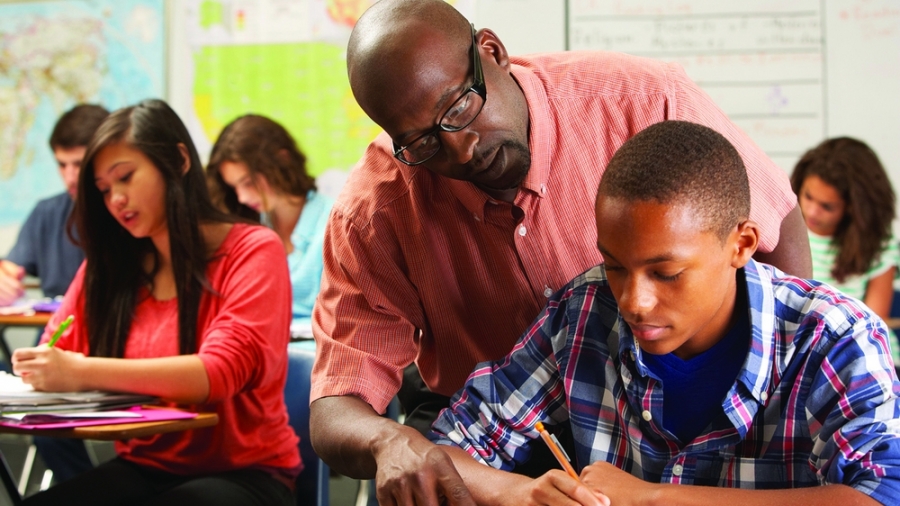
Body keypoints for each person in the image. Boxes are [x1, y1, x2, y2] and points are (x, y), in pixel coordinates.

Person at [309, 0, 812, 501]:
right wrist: (389, 441)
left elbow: (771, 216)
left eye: (460, 108)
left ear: (492, 51)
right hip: (487, 424)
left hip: (656, 407)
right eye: (421, 141)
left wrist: (788, 379)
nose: (460, 149)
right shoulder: (374, 211)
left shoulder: (641, 100)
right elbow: (338, 400)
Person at [431, 120, 900, 506]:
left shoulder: (835, 339)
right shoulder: (585, 312)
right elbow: (453, 445)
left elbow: (881, 496)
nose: (634, 301)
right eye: (615, 265)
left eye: (667, 273)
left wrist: (653, 498)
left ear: (742, 245)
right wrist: (521, 492)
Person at [11, 99, 301, 506]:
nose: (115, 199)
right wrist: (46, 367)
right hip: (146, 467)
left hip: (247, 475)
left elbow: (217, 374)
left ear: (179, 161)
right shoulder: (113, 264)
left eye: (126, 178)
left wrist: (81, 372)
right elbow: (55, 352)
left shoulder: (253, 250)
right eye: (104, 190)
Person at [206, 114, 334, 329]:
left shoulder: (335, 222)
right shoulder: (251, 226)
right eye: (234, 187)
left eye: (248, 183)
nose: (242, 198)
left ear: (282, 160)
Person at [791, 137, 900, 364]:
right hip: (796, 354)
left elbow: (872, 328)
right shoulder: (782, 230)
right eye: (808, 196)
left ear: (853, 207)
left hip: (861, 356)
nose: (811, 211)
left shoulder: (878, 245)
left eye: (826, 207)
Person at [0, 104, 109, 306]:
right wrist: (4, 280)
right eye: (61, 164)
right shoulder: (46, 213)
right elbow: (10, 269)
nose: (70, 178)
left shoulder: (129, 213)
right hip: (55, 333)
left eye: (79, 164)